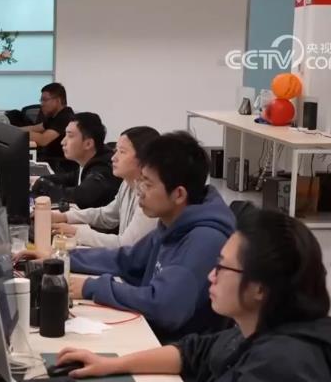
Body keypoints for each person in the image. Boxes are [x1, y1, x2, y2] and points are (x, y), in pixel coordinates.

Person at [56, 209, 331, 382]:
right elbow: (195, 351)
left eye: (222, 267)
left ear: (260, 288)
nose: (211, 276)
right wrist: (110, 364)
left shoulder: (285, 364)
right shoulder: (264, 326)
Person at [20, 131, 234, 342]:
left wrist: (91, 287)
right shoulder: (173, 222)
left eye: (148, 184)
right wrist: (58, 258)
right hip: (152, 335)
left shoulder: (203, 241)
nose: (139, 191)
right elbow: (126, 259)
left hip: (172, 349)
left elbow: (163, 306)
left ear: (178, 194)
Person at [50, 126, 160, 248]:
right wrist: (65, 217)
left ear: (144, 159)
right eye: (116, 151)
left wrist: (77, 232)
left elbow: (125, 245)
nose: (113, 158)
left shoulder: (150, 197)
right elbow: (106, 215)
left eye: (122, 152)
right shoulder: (127, 183)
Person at [31, 112, 121, 210]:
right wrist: (40, 179)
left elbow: (81, 195)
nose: (62, 142)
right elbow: (70, 178)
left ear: (88, 144)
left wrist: (45, 187)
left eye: (70, 136)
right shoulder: (90, 161)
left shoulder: (103, 169)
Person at [22, 83, 75, 173]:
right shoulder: (54, 116)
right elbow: (35, 128)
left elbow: (43, 140)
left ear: (58, 101)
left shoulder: (65, 117)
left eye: (45, 100)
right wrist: (12, 129)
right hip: (51, 162)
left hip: (60, 167)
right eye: (41, 100)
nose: (42, 104)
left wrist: (18, 134)